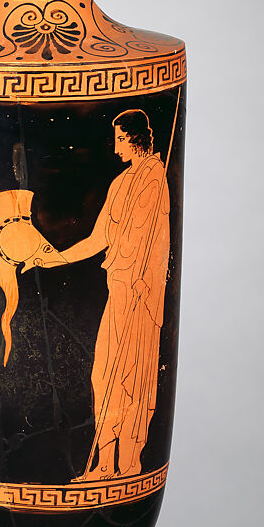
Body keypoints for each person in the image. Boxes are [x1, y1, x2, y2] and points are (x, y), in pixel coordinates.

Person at [41, 110, 170, 479]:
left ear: (134, 139)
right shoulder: (122, 182)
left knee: (132, 378)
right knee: (105, 375)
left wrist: (143, 281)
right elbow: (100, 238)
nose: (115, 148)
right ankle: (104, 464)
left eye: (119, 140)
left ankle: (128, 465)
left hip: (140, 298)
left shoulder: (154, 177)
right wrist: (54, 258)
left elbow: (152, 241)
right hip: (119, 293)